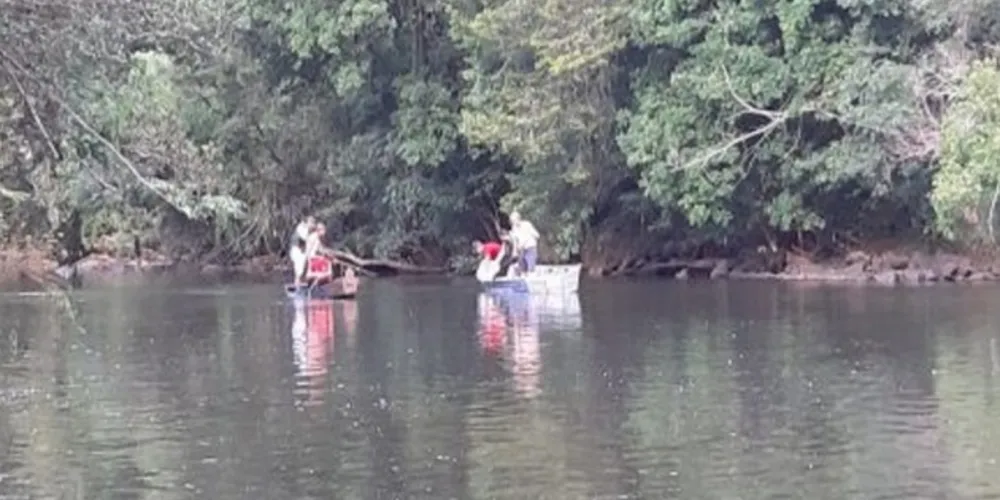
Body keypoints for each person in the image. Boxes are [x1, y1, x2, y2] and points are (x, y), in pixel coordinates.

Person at [289, 215, 316, 287]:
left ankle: (304, 284)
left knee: (305, 267)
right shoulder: (301, 228)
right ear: (307, 222)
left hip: (302, 251)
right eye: (312, 223)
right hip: (296, 251)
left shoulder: (308, 229)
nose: (313, 225)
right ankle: (297, 286)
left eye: (313, 223)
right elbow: (306, 239)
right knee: (299, 269)